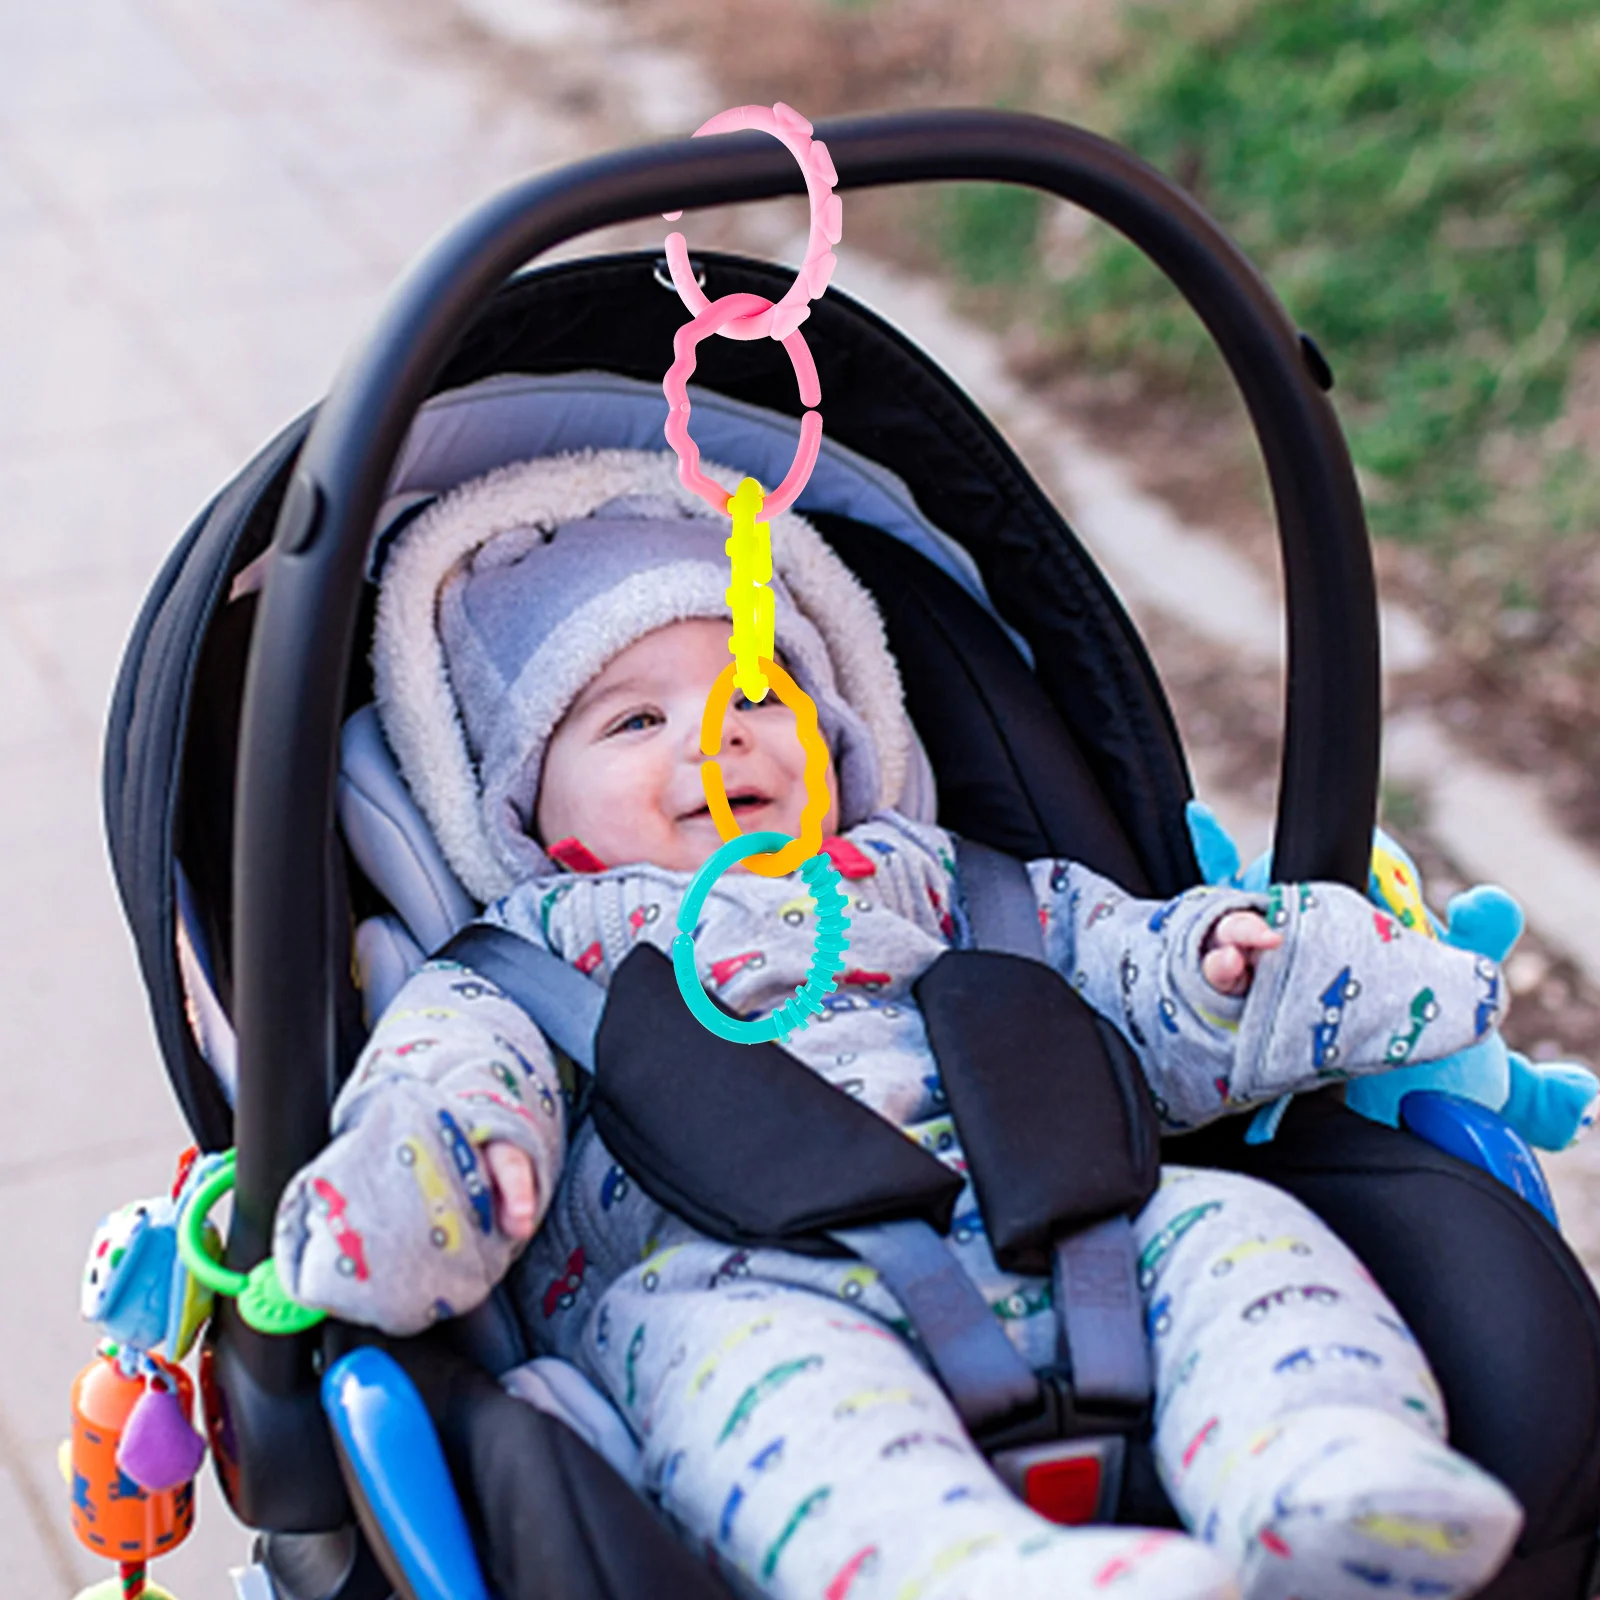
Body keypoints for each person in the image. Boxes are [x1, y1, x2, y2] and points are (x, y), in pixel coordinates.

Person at [276, 449, 1521, 1600]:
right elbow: (448, 1073)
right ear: (524, 811)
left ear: (835, 737)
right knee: (754, 1392)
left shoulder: (941, 882)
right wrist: (446, 1160)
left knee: (1238, 1230)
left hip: (1077, 1227)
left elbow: (1105, 962)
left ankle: (1321, 1481)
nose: (718, 741)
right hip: (739, 1284)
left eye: (757, 695)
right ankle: (973, 1571)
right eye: (635, 721)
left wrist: (1213, 971)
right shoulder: (536, 955)